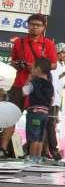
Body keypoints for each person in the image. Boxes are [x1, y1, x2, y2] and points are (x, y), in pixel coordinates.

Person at [0, 14, 56, 159]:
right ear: (27, 25)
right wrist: (18, 64)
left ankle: (36, 154)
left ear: (44, 27)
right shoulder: (19, 42)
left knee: (37, 121)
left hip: (38, 87)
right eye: (32, 24)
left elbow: (54, 64)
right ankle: (3, 148)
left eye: (38, 25)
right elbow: (13, 61)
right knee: (10, 116)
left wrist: (35, 67)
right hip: (19, 85)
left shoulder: (48, 44)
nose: (34, 27)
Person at [22, 58, 54, 164]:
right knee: (40, 136)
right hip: (45, 113)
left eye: (33, 67)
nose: (32, 68)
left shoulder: (34, 82)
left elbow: (24, 92)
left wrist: (28, 80)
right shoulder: (50, 85)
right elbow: (52, 99)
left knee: (34, 136)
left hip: (34, 112)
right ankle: (38, 157)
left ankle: (32, 157)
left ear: (38, 69)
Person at [46, 43, 65, 161]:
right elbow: (53, 83)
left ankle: (47, 151)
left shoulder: (64, 67)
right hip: (50, 99)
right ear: (58, 53)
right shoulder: (53, 65)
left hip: (57, 101)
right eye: (64, 52)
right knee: (50, 124)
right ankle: (53, 150)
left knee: (52, 125)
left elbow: (64, 84)